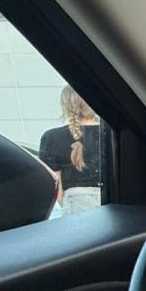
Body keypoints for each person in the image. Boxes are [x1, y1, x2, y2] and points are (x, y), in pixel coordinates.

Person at [38, 85, 104, 214]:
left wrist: (64, 202)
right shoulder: (112, 134)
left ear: (66, 105)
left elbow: (53, 181)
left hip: (75, 202)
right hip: (112, 201)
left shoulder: (51, 137)